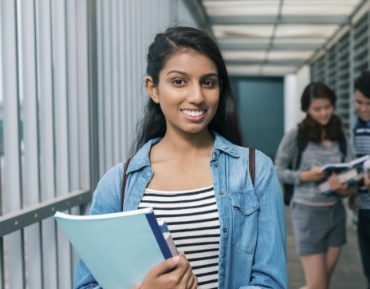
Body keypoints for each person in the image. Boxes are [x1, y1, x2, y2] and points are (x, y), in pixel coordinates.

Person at [73, 25, 287, 289]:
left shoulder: (255, 172)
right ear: (152, 88)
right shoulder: (117, 185)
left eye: (208, 82)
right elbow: (87, 285)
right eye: (179, 81)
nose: (197, 97)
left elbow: (271, 282)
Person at [275, 82, 354, 289]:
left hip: (336, 214)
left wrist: (343, 188)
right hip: (307, 215)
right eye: (317, 109)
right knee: (317, 286)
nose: (324, 113)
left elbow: (351, 170)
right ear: (307, 109)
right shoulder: (297, 135)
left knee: (322, 284)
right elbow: (278, 169)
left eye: (327, 107)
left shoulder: (340, 134)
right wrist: (305, 176)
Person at [349, 70, 370, 289]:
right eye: (359, 102)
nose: (363, 108)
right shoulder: (357, 127)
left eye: (368, 104)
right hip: (364, 208)